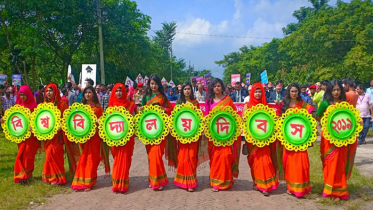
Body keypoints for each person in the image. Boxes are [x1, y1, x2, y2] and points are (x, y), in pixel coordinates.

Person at [316, 80, 354, 201]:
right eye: (333, 90)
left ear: (341, 91)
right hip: (328, 139)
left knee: (340, 164)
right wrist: (325, 125)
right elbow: (318, 115)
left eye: (338, 90)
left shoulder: (344, 104)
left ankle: (339, 191)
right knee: (330, 163)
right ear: (330, 91)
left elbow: (350, 118)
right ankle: (329, 189)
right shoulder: (325, 103)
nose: (336, 92)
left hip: (341, 139)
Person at [242, 82, 279, 196]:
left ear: (263, 93)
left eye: (259, 91)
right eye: (256, 91)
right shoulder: (247, 106)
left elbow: (272, 122)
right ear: (252, 93)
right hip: (252, 140)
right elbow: (244, 121)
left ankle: (265, 185)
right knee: (255, 162)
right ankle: (257, 183)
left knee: (266, 160)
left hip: (265, 140)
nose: (257, 94)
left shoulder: (266, 107)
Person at [205, 78, 241, 192]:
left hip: (226, 135)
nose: (217, 88)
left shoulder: (228, 100)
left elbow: (234, 116)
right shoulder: (209, 101)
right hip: (214, 135)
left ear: (222, 87)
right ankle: (216, 181)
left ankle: (226, 180)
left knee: (226, 156)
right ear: (212, 88)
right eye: (215, 86)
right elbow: (206, 116)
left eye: (219, 86)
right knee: (215, 158)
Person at [280, 83, 314, 198]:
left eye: (296, 91)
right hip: (288, 139)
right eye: (292, 91)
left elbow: (311, 118)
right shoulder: (284, 105)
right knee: (289, 164)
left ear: (299, 92)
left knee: (302, 163)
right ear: (288, 92)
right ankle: (291, 187)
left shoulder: (303, 105)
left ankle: (303, 187)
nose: (294, 93)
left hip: (301, 139)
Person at [140, 74, 173, 190]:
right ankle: (154, 180)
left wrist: (164, 109)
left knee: (157, 155)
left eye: (155, 83)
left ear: (159, 84)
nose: (153, 86)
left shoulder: (163, 97)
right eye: (151, 84)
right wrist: (141, 109)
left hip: (160, 129)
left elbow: (170, 110)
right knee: (151, 156)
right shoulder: (146, 97)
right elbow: (142, 112)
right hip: (148, 130)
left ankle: (157, 181)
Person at [0, 86, 38, 184]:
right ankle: (21, 175)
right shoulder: (17, 106)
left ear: (29, 95)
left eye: (24, 95)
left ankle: (28, 175)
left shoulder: (34, 106)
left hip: (31, 136)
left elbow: (38, 121)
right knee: (21, 154)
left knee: (28, 154)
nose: (23, 97)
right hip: (20, 136)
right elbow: (12, 118)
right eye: (21, 94)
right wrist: (4, 119)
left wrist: (32, 127)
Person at [71, 86, 104, 191]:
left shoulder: (98, 108)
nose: (88, 94)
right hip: (83, 137)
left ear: (93, 94)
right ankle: (81, 180)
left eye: (90, 92)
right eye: (86, 93)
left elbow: (102, 121)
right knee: (84, 158)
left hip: (94, 137)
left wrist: (98, 121)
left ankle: (89, 182)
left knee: (91, 158)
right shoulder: (80, 109)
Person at [107, 83, 136, 193]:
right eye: (116, 91)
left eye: (120, 91)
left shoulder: (130, 105)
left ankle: (122, 183)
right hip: (115, 138)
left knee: (124, 159)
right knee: (116, 159)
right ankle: (116, 182)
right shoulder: (111, 106)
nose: (118, 93)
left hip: (126, 138)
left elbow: (133, 120)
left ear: (124, 92)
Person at [42, 83, 73, 184]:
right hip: (48, 135)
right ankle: (50, 176)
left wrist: (61, 125)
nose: (49, 93)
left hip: (58, 135)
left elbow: (66, 118)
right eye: (47, 91)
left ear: (55, 91)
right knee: (49, 153)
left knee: (55, 153)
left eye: (51, 91)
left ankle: (58, 177)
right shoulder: (44, 105)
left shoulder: (62, 103)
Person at [174, 82, 200, 192]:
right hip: (182, 136)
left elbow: (199, 118)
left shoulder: (195, 103)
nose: (187, 91)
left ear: (191, 91)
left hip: (193, 135)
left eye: (189, 89)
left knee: (192, 157)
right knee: (183, 158)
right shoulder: (179, 103)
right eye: (185, 89)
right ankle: (182, 181)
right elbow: (174, 119)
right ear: (182, 91)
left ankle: (191, 182)